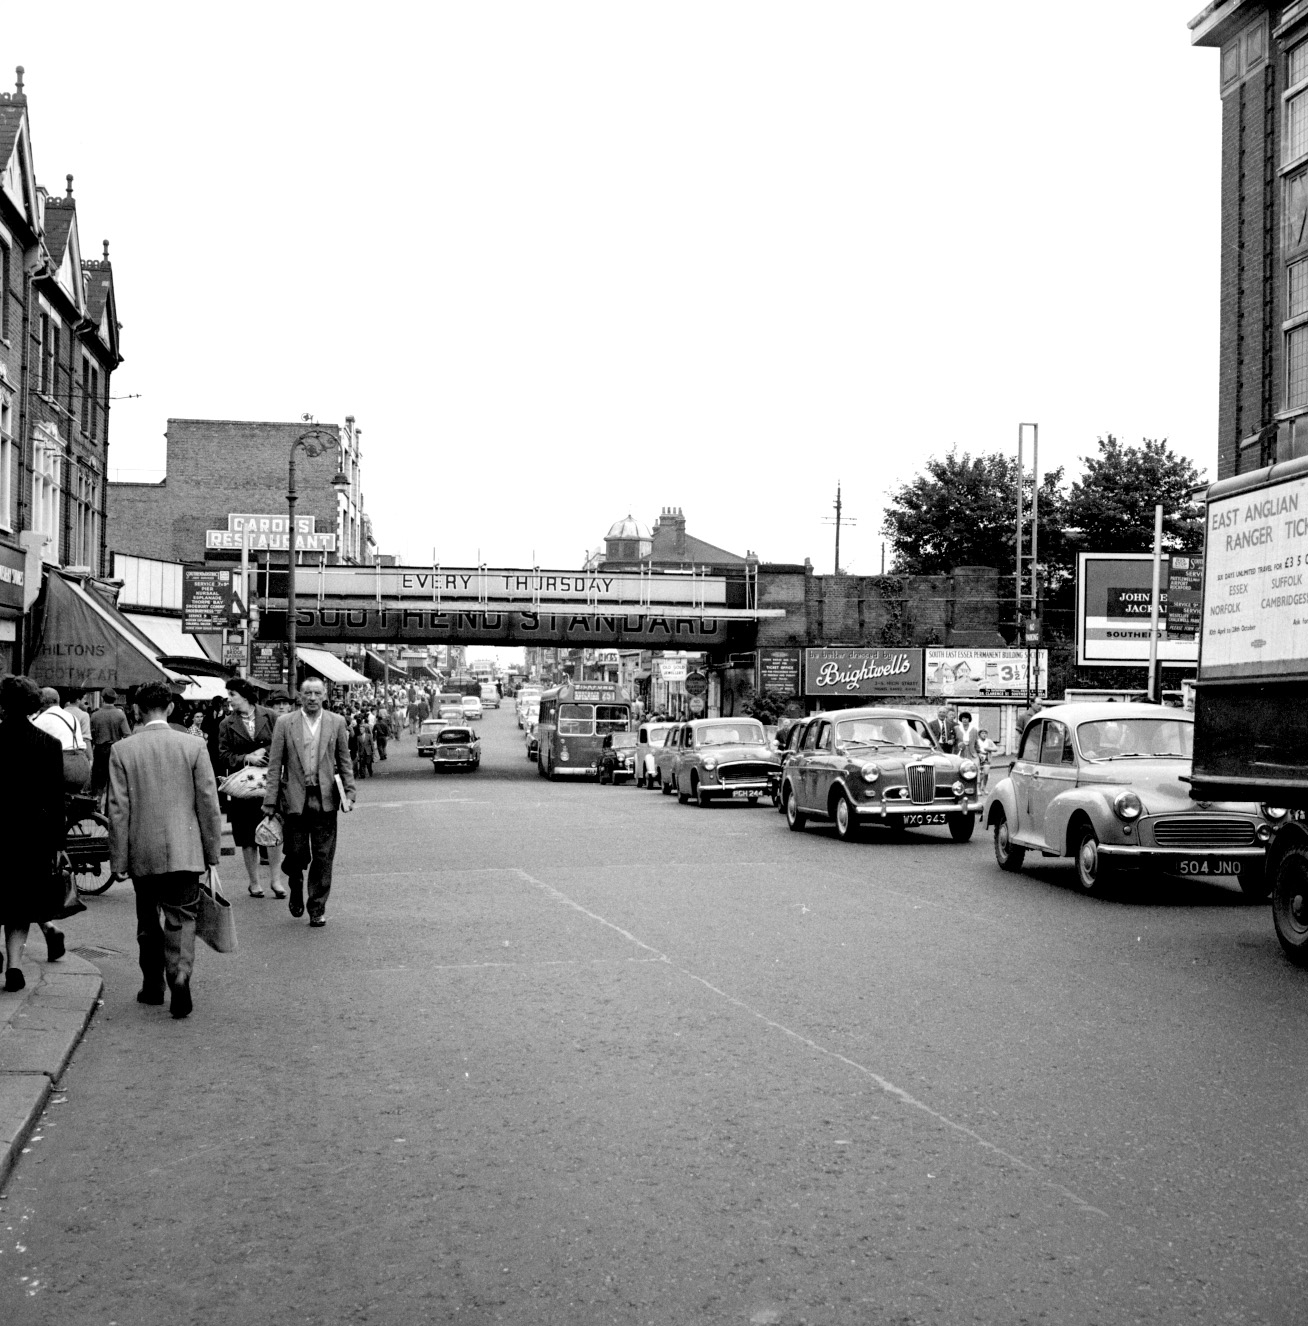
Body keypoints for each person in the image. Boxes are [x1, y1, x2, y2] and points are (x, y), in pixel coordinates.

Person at [106, 681, 223, 1019]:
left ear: (137, 711)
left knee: (147, 919)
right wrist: (211, 851)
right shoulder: (194, 745)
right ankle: (180, 973)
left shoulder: (123, 750)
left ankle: (153, 986)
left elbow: (118, 809)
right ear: (170, 708)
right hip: (186, 849)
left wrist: (118, 859)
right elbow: (208, 803)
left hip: (142, 850)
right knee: (182, 916)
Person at [261, 677, 355, 927]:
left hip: (325, 800)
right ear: (300, 697)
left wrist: (349, 791)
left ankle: (316, 907)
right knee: (296, 854)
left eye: (317, 693)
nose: (312, 697)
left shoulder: (336, 722)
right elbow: (274, 765)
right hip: (294, 799)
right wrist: (270, 801)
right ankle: (295, 883)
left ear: (324, 695)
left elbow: (344, 760)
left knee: (323, 857)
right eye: (307, 693)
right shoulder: (284, 723)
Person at [0, 676, 67, 992]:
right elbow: (56, 799)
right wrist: (57, 843)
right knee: (20, 903)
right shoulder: (47, 744)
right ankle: (14, 966)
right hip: (31, 835)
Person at [217, 678, 284, 898]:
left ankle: (276, 880)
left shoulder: (270, 716)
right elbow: (223, 756)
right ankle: (254, 882)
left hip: (270, 784)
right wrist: (247, 758)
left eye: (232, 695)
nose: (229, 699)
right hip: (244, 788)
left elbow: (283, 743)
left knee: (273, 831)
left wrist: (265, 752)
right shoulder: (226, 724)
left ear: (244, 695)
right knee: (247, 836)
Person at [90, 687, 131, 798]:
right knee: (114, 782)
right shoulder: (120, 715)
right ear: (114, 699)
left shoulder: (95, 715)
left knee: (98, 782)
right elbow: (127, 735)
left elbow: (91, 736)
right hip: (114, 750)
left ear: (102, 699)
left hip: (99, 750)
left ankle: (97, 806)